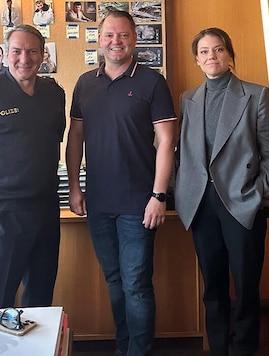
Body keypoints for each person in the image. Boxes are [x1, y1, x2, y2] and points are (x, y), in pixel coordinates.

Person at [66, 10, 176, 355]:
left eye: (124, 35)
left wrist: (159, 195)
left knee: (137, 285)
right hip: (98, 202)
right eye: (110, 35)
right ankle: (123, 347)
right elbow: (75, 138)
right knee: (114, 281)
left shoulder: (152, 82)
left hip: (138, 204)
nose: (117, 41)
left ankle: (138, 351)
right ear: (100, 40)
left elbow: (167, 142)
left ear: (135, 39)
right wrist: (74, 187)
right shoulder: (85, 83)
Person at [174, 28, 269, 356]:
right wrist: (181, 190)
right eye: (204, 52)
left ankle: (243, 349)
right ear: (197, 60)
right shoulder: (188, 99)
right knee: (213, 285)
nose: (211, 57)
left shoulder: (255, 95)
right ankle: (218, 348)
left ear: (229, 55)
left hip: (243, 202)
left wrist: (259, 191)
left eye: (218, 50)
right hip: (201, 204)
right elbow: (183, 153)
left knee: (246, 286)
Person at [0, 24, 66, 309]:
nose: (25, 58)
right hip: (1, 209)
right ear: (5, 54)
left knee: (40, 296)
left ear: (42, 54)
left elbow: (54, 139)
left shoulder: (53, 93)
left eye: (32, 51)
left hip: (46, 207)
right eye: (17, 51)